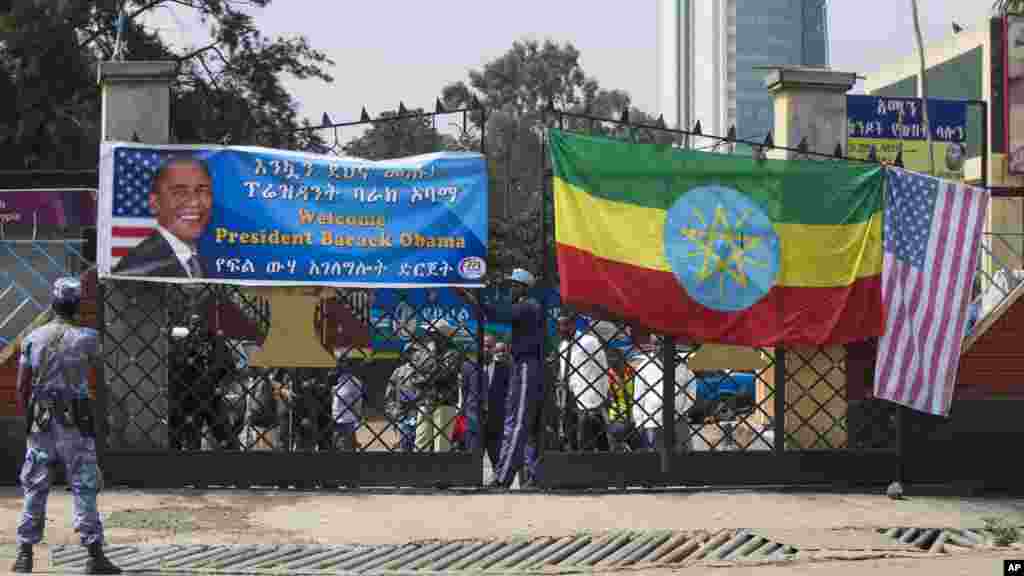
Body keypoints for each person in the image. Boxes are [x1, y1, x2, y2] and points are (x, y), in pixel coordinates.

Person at [12, 278, 121, 574]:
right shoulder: (89, 338)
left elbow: (22, 387)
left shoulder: (33, 337)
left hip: (41, 422)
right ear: (78, 305)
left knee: (34, 485)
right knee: (84, 485)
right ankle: (94, 555)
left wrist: (29, 421)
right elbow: (101, 386)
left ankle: (24, 555)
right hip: (76, 422)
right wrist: (102, 423)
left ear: (53, 303)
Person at [455, 268, 544, 490]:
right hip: (520, 366)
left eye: (513, 286)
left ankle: (504, 477)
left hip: (526, 366)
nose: (510, 289)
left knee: (518, 422)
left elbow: (498, 314)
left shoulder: (528, 306)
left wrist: (473, 299)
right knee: (514, 421)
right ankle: (515, 474)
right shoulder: (524, 308)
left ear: (523, 288)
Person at [112, 156, 213, 279]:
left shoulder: (207, 259)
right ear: (155, 202)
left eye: (202, 191)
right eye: (180, 192)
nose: (194, 202)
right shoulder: (138, 265)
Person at [564, 320, 613, 452]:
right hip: (571, 394)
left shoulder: (589, 342)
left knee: (593, 431)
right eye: (559, 325)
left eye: (565, 324)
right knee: (574, 433)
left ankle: (603, 455)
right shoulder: (563, 346)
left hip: (590, 393)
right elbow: (564, 372)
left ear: (573, 325)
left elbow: (602, 366)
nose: (562, 329)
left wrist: (603, 392)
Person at [414, 320, 462, 453]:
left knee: (441, 445)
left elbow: (442, 375)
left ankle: (440, 473)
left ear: (441, 335)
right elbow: (416, 374)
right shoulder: (424, 351)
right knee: (420, 442)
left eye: (431, 333)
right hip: (426, 400)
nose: (428, 336)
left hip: (444, 402)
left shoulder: (453, 352)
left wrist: (432, 354)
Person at [484, 340, 511, 471]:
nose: (486, 349)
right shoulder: (471, 366)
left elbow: (509, 392)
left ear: (493, 348)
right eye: (483, 346)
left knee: (496, 452)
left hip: (496, 416)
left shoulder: (504, 368)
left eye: (489, 347)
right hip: (476, 416)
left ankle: (498, 477)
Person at [332, 357, 364, 452]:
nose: (340, 366)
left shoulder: (354, 382)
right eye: (339, 363)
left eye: (343, 363)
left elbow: (358, 402)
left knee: (346, 447)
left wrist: (357, 417)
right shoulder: (333, 380)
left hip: (346, 421)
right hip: (332, 420)